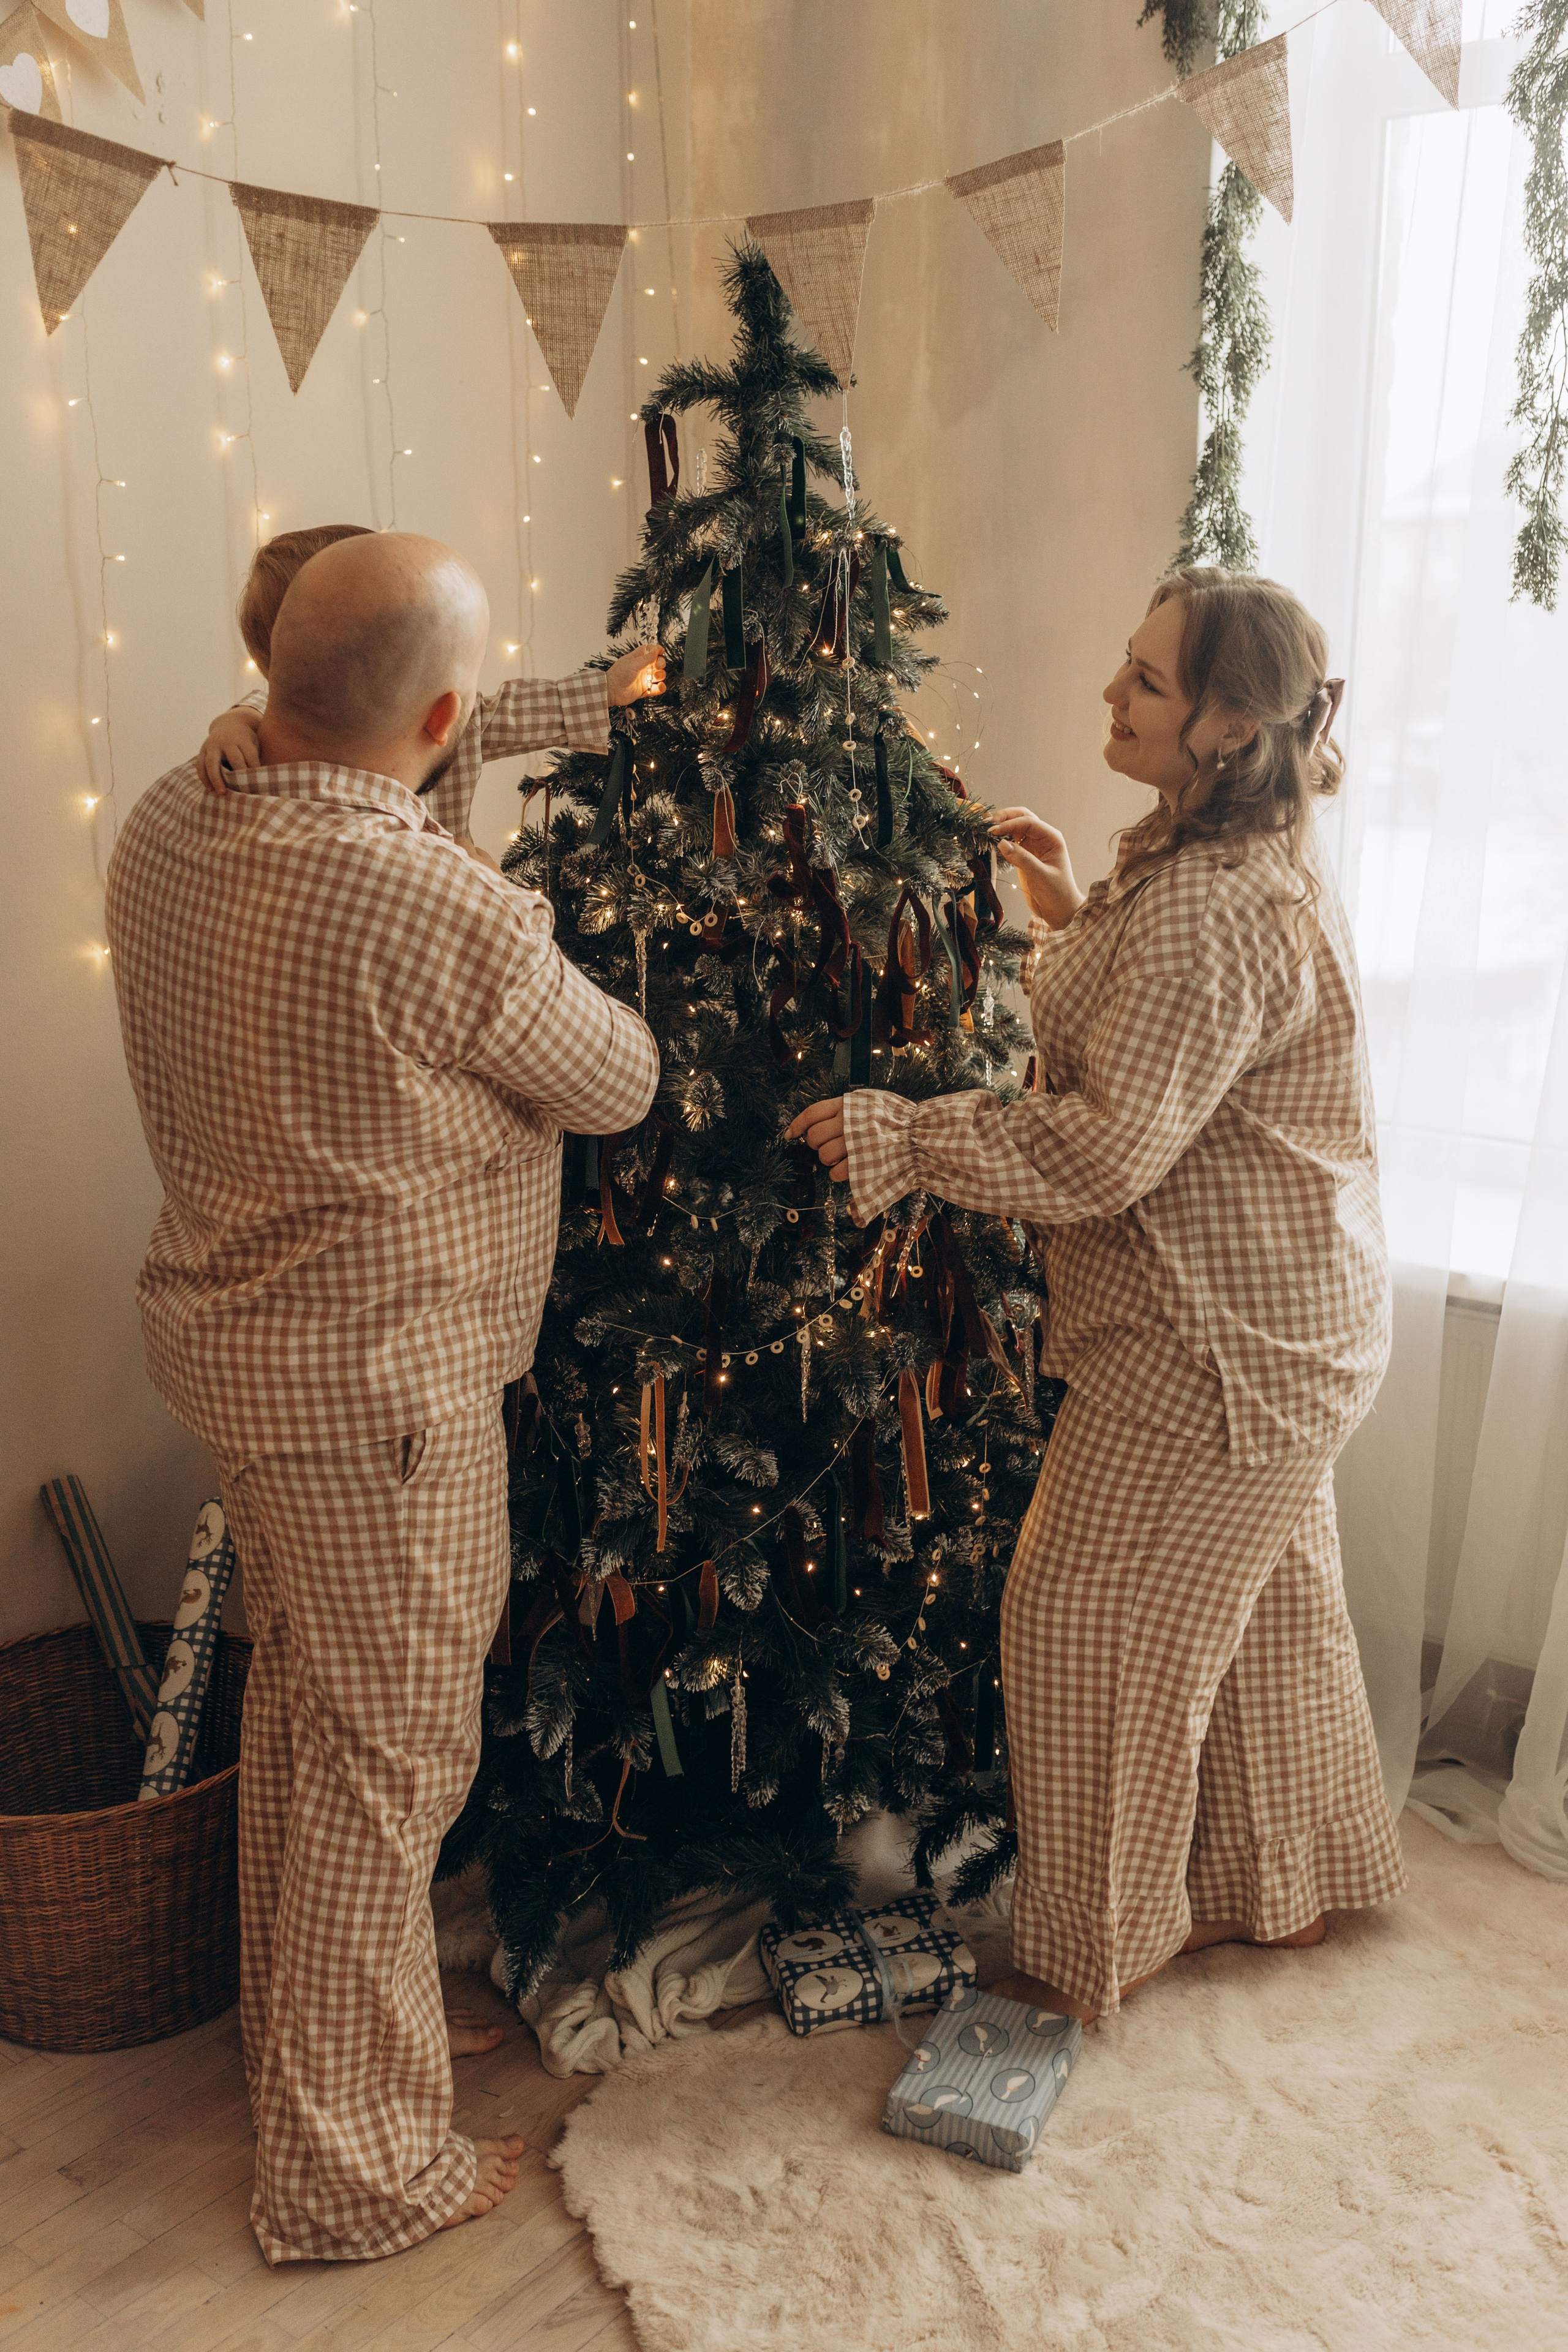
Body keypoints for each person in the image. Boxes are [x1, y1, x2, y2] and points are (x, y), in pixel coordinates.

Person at [105, 533, 661, 2261]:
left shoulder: (168, 818)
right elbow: (620, 1077)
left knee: (310, 1740)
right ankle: (353, 2171)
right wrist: (523, 908)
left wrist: (609, 699)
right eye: (468, 702)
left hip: (248, 1365)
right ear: (436, 712)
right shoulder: (428, 896)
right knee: (382, 1778)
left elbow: (392, 733)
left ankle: (325, 2056)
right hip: (384, 1400)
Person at [788, 567, 1406, 2026]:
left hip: (1217, 1354)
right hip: (1289, 1327)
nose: (1109, 695)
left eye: (1142, 679)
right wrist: (1067, 912)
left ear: (1226, 719)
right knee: (1259, 1616)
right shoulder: (1213, 866)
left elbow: (1105, 1147)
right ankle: (1282, 1886)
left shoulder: (1206, 905)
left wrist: (904, 1131)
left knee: (1087, 1626)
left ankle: (1095, 1948)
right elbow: (1166, 1048)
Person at [195, 519, 665, 845]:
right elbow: (266, 705)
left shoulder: (443, 720)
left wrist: (605, 689)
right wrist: (235, 722)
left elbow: (506, 713)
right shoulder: (271, 742)